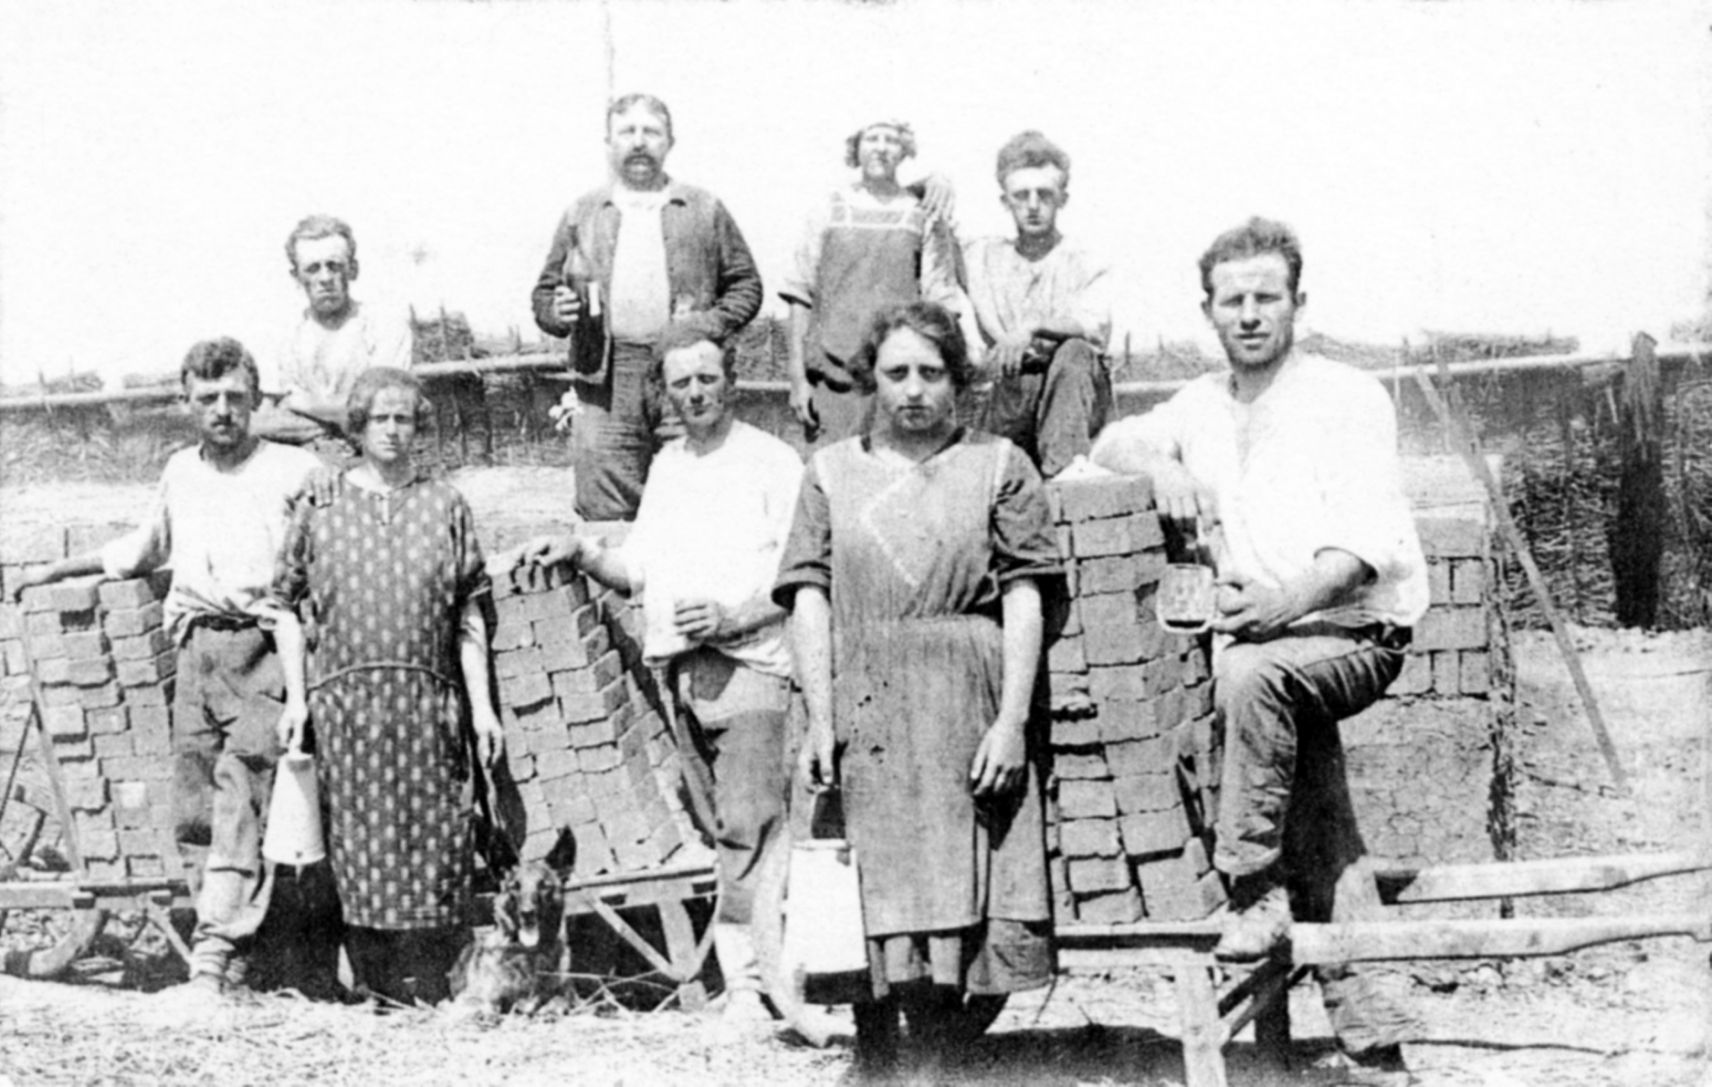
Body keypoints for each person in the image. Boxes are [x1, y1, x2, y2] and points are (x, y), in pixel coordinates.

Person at [1091, 217, 1428, 1084]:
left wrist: (1280, 607)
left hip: (1354, 632)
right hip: (1271, 649)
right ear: (1207, 310)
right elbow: (1107, 443)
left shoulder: (1347, 397)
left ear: (1298, 304)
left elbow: (1364, 551)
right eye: (1231, 299)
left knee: (1247, 675)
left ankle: (1252, 885)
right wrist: (1161, 465)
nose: (1249, 314)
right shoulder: (1200, 403)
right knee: (1319, 816)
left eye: (1266, 297)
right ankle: (1375, 1039)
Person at [777, 302, 1056, 1079]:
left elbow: (1026, 597)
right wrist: (820, 716)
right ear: (871, 379)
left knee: (951, 883)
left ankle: (938, 1054)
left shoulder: (1000, 464)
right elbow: (809, 597)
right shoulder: (829, 471)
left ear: (958, 380)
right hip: (861, 705)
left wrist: (1011, 720)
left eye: (931, 372)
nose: (913, 389)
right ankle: (873, 1055)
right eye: (895, 372)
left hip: (961, 703)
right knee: (864, 880)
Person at [10, 338, 334, 1002]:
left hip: (263, 650)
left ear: (257, 399)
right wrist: (57, 569)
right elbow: (142, 550)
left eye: (236, 396)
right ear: (186, 402)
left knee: (243, 795)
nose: (223, 409)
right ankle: (228, 953)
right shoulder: (180, 471)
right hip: (195, 653)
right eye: (208, 398)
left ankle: (214, 960)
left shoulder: (296, 470)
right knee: (194, 807)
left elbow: (337, 547)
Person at [514, 325, 801, 1024]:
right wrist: (581, 551)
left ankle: (753, 988)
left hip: (751, 667)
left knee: (750, 827)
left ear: (731, 380)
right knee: (720, 827)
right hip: (682, 673)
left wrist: (733, 616)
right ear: (664, 393)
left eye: (707, 378)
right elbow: (637, 566)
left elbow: (803, 574)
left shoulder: (772, 461)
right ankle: (756, 977)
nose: (696, 393)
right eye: (681, 383)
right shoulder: (669, 465)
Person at [266, 367, 503, 1006]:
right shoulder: (322, 504)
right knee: (357, 844)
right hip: (347, 710)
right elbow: (282, 605)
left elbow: (469, 612)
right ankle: (371, 984)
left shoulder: (445, 504)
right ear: (358, 428)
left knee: (434, 838)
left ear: (419, 427)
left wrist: (482, 708)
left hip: (427, 707)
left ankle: (435, 980)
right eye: (380, 419)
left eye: (404, 418)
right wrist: (298, 698)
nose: (393, 431)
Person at [530, 93, 763, 522]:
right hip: (605, 377)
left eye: (651, 132)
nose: (639, 142)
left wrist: (703, 327)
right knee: (605, 498)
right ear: (609, 143)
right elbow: (545, 294)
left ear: (670, 142)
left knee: (695, 489)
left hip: (684, 371)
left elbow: (746, 286)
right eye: (627, 132)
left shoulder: (703, 209)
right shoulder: (582, 213)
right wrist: (556, 311)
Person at [780, 118, 967, 448]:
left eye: (891, 140)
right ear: (856, 148)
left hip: (898, 378)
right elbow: (800, 295)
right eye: (872, 139)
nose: (881, 148)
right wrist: (797, 378)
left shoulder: (922, 215)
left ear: (904, 151)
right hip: (833, 375)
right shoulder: (827, 209)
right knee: (831, 466)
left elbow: (941, 303)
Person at [959, 131, 1114, 478]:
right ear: (1005, 201)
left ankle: (1066, 472)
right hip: (1011, 389)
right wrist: (931, 183)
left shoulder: (1085, 259)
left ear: (1062, 200)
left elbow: (1094, 325)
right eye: (1021, 195)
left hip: (1073, 396)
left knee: (1075, 351)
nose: (1032, 205)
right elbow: (935, 232)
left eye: (1044, 195)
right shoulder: (981, 256)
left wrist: (1031, 328)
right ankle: (992, 475)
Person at [253, 215, 415, 446]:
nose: (325, 278)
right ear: (296, 277)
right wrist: (338, 421)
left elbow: (378, 416)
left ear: (353, 270)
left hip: (369, 459)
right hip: (302, 458)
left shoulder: (384, 326)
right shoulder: (285, 336)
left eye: (334, 266)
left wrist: (299, 403)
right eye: (312, 269)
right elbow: (262, 424)